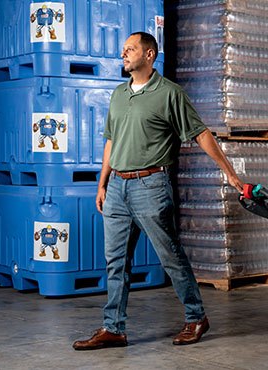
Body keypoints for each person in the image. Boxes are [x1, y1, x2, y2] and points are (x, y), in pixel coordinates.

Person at [73, 32, 244, 350]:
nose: (124, 54)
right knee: (116, 262)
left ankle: (196, 318)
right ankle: (114, 328)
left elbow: (200, 133)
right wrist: (102, 183)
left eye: (131, 49)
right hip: (118, 188)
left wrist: (230, 174)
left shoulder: (170, 93)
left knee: (170, 256)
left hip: (150, 185)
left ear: (149, 54)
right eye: (123, 49)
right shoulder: (119, 94)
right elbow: (111, 140)